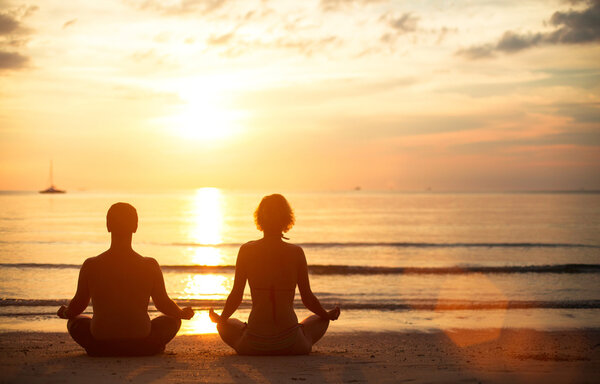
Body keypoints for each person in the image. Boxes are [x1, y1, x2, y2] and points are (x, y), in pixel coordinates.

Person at [209, 194, 340, 355]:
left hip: (253, 343)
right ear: (286, 218)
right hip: (292, 343)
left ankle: (240, 332)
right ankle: (301, 334)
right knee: (320, 320)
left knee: (226, 324)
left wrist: (221, 319)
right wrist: (326, 314)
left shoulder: (247, 250)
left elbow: (236, 295)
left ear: (259, 218)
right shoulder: (296, 252)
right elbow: (307, 298)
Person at [57, 202, 194, 356]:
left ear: (108, 226)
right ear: (135, 227)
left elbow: (78, 305)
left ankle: (101, 349)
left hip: (101, 342)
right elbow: (163, 303)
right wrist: (181, 313)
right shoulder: (149, 264)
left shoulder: (91, 264)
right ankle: (151, 347)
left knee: (75, 321)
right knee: (172, 320)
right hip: (141, 341)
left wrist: (66, 313)